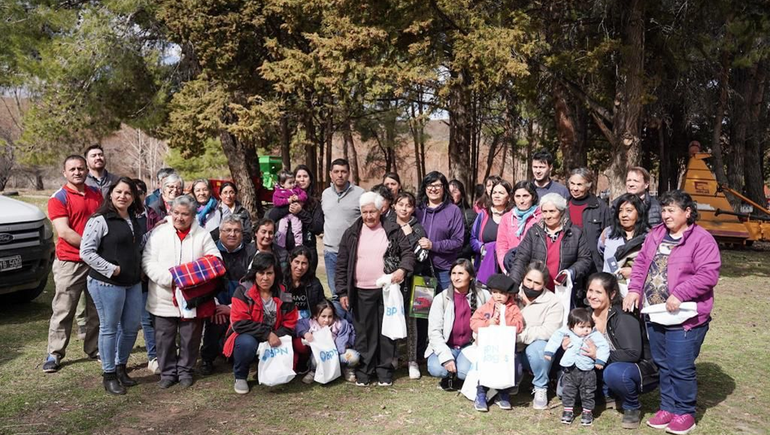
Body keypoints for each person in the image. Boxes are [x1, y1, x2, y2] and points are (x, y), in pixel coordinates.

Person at [623, 190, 720, 434]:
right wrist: (634, 289)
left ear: (687, 212)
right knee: (663, 364)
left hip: (685, 316)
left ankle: (685, 412)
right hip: (655, 312)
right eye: (664, 210)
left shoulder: (702, 239)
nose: (666, 215)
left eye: (671, 210)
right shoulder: (656, 235)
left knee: (680, 365)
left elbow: (708, 274)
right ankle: (667, 407)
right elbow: (641, 264)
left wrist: (681, 293)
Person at [336, 192, 415, 386]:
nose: (369, 216)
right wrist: (342, 291)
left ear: (381, 211)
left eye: (372, 212)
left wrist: (402, 270)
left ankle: (384, 371)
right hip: (361, 291)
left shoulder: (393, 230)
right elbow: (342, 263)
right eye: (365, 212)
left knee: (386, 333)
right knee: (364, 333)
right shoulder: (351, 232)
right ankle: (364, 371)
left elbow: (408, 253)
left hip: (387, 291)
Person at [142, 195, 221, 389]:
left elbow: (215, 260)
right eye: (176, 213)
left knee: (190, 337)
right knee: (164, 338)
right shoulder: (159, 233)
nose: (179, 217)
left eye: (185, 214)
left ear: (192, 216)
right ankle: (168, 372)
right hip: (162, 295)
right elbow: (148, 260)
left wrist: (189, 277)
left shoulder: (202, 235)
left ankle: (186, 370)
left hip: (192, 298)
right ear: (171, 212)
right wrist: (170, 279)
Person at [80, 177, 144, 395]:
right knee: (109, 328)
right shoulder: (100, 220)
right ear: (110, 194)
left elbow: (137, 244)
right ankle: (108, 375)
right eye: (118, 192)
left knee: (131, 327)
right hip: (106, 283)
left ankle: (120, 367)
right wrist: (111, 269)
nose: (122, 196)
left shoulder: (134, 218)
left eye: (128, 193)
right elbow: (86, 252)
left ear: (133, 197)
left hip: (132, 282)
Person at [43, 155, 103, 373]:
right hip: (70, 262)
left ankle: (94, 348)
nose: (77, 172)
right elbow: (65, 232)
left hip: (95, 262)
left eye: (80, 168)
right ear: (64, 172)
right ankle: (54, 353)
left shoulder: (96, 194)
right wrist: (91, 249)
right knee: (64, 309)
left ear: (87, 170)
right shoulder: (58, 198)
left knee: (96, 309)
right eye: (72, 169)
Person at [585, 273, 658, 430]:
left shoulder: (623, 316)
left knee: (614, 372)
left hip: (637, 368)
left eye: (598, 292)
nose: (592, 296)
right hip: (601, 365)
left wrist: (598, 355)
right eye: (590, 290)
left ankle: (632, 406)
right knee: (568, 391)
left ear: (612, 294)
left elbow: (632, 353)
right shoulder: (586, 314)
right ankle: (608, 394)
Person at [223, 252, 299, 395]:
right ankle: (240, 376)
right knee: (247, 343)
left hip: (275, 336)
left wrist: (274, 335)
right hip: (247, 336)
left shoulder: (285, 293)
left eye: (269, 273)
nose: (265, 278)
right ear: (254, 274)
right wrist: (267, 334)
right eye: (261, 273)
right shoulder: (242, 291)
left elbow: (291, 322)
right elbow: (239, 323)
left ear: (275, 274)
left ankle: (265, 368)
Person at [199, 215, 257, 376]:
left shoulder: (251, 252)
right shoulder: (210, 251)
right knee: (216, 320)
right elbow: (206, 282)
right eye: (228, 230)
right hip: (216, 304)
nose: (232, 234)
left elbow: (251, 285)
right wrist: (216, 306)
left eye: (237, 230)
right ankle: (207, 358)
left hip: (242, 305)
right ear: (220, 232)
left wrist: (232, 308)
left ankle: (239, 354)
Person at [509, 193, 592, 303]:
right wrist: (512, 286)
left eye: (552, 211)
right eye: (544, 211)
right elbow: (521, 259)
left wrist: (569, 273)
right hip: (536, 290)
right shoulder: (534, 232)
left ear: (561, 212)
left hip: (563, 291)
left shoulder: (575, 233)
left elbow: (585, 259)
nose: (547, 216)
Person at [425, 259, 490, 390]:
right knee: (437, 368)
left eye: (461, 273)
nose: (456, 277)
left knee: (464, 372)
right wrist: (446, 358)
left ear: (471, 276)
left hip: (470, 346)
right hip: (447, 345)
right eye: (453, 273)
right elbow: (434, 332)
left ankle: (459, 375)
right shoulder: (441, 298)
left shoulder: (483, 296)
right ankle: (448, 373)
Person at [544, 308, 610, 426]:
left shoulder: (594, 335)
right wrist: (549, 351)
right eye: (582, 327)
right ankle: (568, 411)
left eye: (588, 327)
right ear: (571, 326)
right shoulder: (566, 332)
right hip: (569, 369)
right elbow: (555, 338)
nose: (586, 330)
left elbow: (604, 346)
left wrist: (600, 360)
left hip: (587, 370)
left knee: (588, 392)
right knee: (568, 390)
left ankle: (587, 412)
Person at [469, 274, 525, 412]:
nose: (499, 296)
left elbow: (519, 326)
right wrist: (488, 323)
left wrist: (505, 314)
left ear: (509, 294)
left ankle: (503, 394)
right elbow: (473, 322)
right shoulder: (485, 308)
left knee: (507, 369)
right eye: (495, 292)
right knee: (484, 369)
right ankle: (481, 393)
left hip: (506, 348)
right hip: (488, 347)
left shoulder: (513, 309)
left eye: (503, 293)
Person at [515, 261, 564, 410]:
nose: (531, 286)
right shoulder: (510, 293)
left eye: (537, 283)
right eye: (528, 280)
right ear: (523, 278)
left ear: (544, 284)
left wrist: (520, 336)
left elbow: (549, 331)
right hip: (509, 348)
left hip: (532, 349)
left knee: (541, 349)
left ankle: (540, 387)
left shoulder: (553, 302)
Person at [393, 191, 431, 380]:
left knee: (413, 322)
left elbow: (421, 256)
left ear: (413, 208)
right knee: (392, 317)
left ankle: (412, 360)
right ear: (394, 206)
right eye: (400, 204)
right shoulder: (388, 225)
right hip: (394, 281)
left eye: (408, 205)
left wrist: (409, 235)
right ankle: (393, 356)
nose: (404, 209)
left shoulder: (418, 228)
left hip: (417, 281)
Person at [321, 158, 364, 317]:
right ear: (330, 174)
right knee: (336, 294)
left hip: (353, 253)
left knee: (352, 293)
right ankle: (340, 328)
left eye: (343, 171)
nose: (340, 175)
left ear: (348, 173)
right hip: (331, 252)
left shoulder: (360, 194)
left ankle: (353, 328)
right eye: (336, 172)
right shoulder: (325, 194)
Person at [268, 165, 324, 270]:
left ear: (310, 180)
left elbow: (317, 228)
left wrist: (300, 212)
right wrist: (290, 205)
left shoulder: (314, 202)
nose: (302, 179)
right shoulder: (284, 195)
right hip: (284, 251)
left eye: (305, 176)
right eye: (298, 176)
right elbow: (272, 216)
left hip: (307, 250)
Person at [415, 172, 465, 292]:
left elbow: (458, 242)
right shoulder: (418, 210)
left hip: (444, 270)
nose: (433, 189)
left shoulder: (453, 211)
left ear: (444, 188)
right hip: (420, 269)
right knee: (422, 304)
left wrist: (433, 245)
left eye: (437, 185)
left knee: (445, 302)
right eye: (430, 185)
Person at [294, 299, 360, 383]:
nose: (326, 320)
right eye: (323, 316)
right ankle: (314, 371)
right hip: (322, 355)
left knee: (354, 357)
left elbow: (348, 335)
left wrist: (344, 346)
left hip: (338, 353)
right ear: (316, 316)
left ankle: (348, 369)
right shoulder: (311, 323)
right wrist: (305, 333)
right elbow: (298, 324)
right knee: (315, 359)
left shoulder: (341, 324)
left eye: (330, 316)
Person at [598, 193, 649, 284]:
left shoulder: (648, 237)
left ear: (639, 212)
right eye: (620, 211)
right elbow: (601, 251)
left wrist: (634, 271)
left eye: (629, 210)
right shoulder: (608, 233)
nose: (623, 215)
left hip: (636, 286)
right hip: (609, 285)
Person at [567, 168, 611, 272]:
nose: (575, 188)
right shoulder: (563, 206)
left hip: (594, 265)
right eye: (572, 183)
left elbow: (610, 238)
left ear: (588, 185)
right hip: (569, 264)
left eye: (579, 185)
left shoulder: (600, 207)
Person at [470, 179, 513, 283]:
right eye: (494, 193)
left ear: (509, 197)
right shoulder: (483, 215)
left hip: (508, 267)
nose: (497, 196)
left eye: (501, 193)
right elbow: (473, 239)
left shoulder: (513, 216)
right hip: (484, 264)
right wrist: (483, 248)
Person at [496, 181, 542, 274]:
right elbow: (501, 245)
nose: (521, 200)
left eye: (525, 196)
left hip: (534, 270)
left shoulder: (541, 217)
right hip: (511, 268)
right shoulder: (507, 218)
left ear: (533, 197)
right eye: (518, 196)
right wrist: (505, 269)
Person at [283, 245, 325, 321]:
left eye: (304, 263)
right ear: (290, 261)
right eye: (297, 262)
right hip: (286, 320)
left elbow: (322, 306)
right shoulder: (281, 281)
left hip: (309, 322)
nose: (300, 267)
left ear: (309, 265)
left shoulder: (314, 284)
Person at [273, 170, 307, 249]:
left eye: (293, 182)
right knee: (281, 230)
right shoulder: (278, 192)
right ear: (282, 183)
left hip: (295, 214)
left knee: (297, 229)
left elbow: (304, 196)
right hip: (284, 215)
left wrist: (298, 197)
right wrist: (287, 201)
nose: (293, 185)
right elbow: (276, 202)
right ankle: (281, 246)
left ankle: (299, 245)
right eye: (290, 183)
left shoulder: (296, 189)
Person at [448, 179, 477, 261]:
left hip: (462, 259)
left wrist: (461, 253)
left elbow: (473, 240)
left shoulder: (469, 215)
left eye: (454, 192)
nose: (451, 195)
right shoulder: (440, 213)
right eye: (449, 192)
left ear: (461, 194)